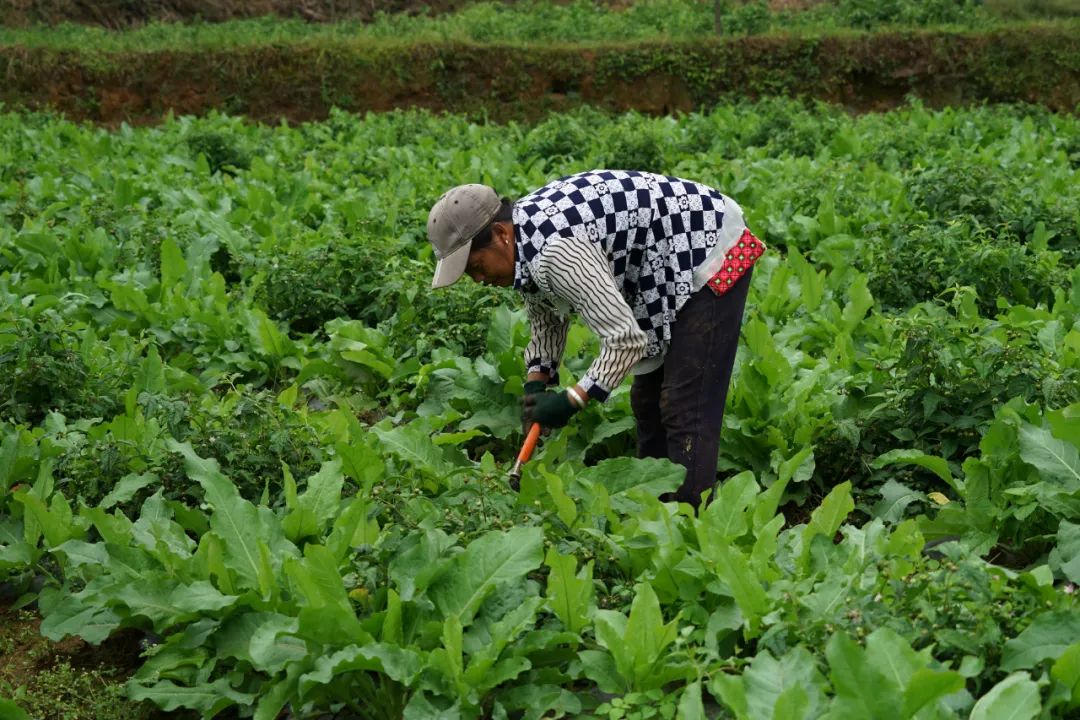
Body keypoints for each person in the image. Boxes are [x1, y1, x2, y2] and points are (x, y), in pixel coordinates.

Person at [426, 170, 763, 507]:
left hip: (705, 242)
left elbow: (626, 341)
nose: (478, 279)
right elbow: (546, 317)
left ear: (500, 234)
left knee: (684, 405)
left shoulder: (555, 252)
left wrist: (571, 400)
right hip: (652, 265)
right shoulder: (522, 242)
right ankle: (656, 512)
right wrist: (536, 383)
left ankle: (692, 527)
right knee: (647, 403)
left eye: (475, 266)